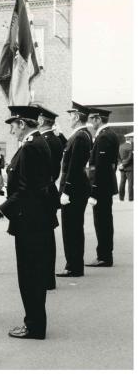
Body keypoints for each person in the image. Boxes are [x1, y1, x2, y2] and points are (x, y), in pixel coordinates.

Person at [0, 105, 58, 340]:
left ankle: (34, 326)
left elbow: (26, 189)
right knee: (33, 275)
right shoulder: (38, 143)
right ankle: (35, 323)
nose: (11, 131)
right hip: (37, 220)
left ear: (22, 124)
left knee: (29, 276)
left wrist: (0, 211)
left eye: (13, 126)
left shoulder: (30, 148)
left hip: (30, 222)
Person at [56, 102, 92, 277]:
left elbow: (74, 166)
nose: (69, 118)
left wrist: (66, 190)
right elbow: (71, 153)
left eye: (71, 115)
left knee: (71, 229)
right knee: (74, 228)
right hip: (78, 187)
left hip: (74, 189)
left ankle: (73, 266)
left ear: (77, 117)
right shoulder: (81, 135)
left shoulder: (79, 136)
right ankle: (75, 265)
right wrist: (61, 135)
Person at [33, 103, 64, 290]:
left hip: (44, 192)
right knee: (47, 237)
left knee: (43, 239)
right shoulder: (54, 138)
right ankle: (47, 278)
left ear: (41, 121)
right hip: (49, 190)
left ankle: (45, 278)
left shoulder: (46, 140)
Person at [85, 107, 120, 267]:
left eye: (91, 118)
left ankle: (104, 256)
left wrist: (94, 189)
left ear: (98, 119)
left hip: (102, 188)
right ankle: (105, 255)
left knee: (102, 222)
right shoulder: (109, 135)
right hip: (106, 186)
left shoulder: (104, 137)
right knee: (105, 221)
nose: (90, 122)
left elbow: (100, 166)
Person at [118, 132, 134, 202]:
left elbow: (118, 157)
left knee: (122, 183)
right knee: (130, 184)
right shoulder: (131, 147)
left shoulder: (120, 146)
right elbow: (130, 157)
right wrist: (124, 164)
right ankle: (130, 198)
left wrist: (121, 164)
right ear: (130, 139)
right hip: (130, 167)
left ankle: (121, 198)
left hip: (122, 167)